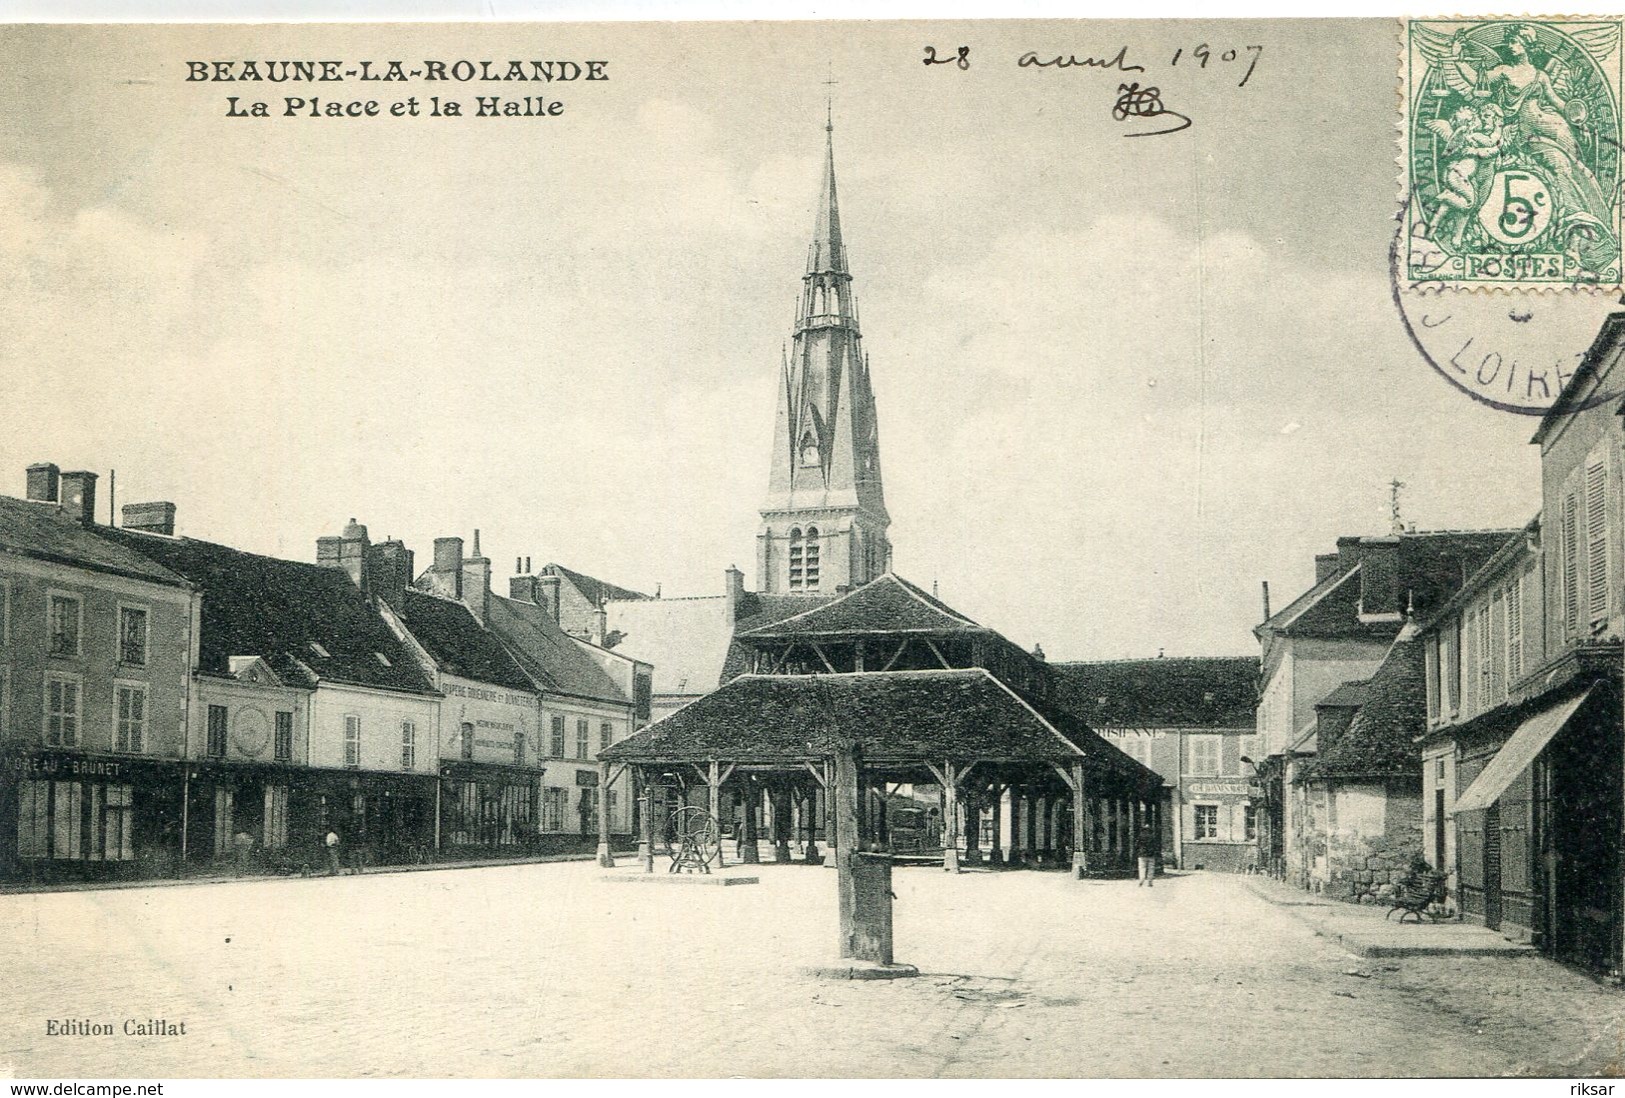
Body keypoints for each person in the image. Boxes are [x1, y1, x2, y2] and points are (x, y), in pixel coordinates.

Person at [1135, 822, 1156, 887]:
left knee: (1142, 868)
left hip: (1142, 854)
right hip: (1151, 854)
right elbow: (1155, 845)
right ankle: (1150, 882)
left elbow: (1136, 845)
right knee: (1151, 868)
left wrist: (1138, 850)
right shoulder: (1152, 836)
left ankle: (1142, 879)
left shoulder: (1140, 836)